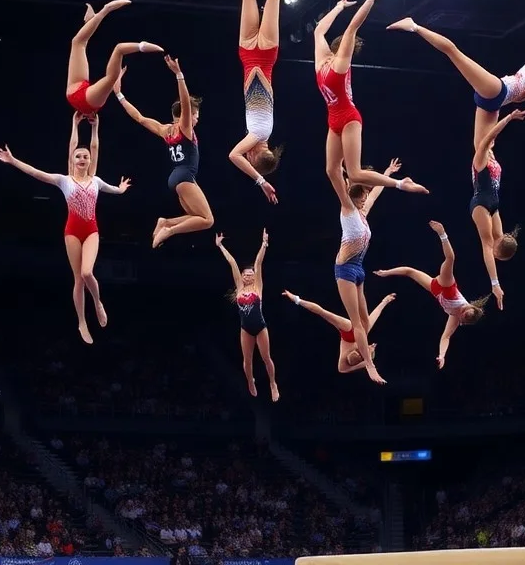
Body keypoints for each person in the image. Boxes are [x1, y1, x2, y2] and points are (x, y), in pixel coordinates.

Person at [0, 115, 131, 344]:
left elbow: (112, 184)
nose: (82, 158)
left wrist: (95, 129)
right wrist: (13, 160)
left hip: (92, 231)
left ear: (91, 160)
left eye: (86, 156)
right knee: (78, 279)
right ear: (72, 160)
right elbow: (36, 172)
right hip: (72, 232)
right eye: (78, 156)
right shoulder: (63, 180)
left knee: (87, 273)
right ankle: (81, 321)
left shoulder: (96, 181)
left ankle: (97, 302)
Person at [385, 18, 525, 146]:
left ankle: (484, 189)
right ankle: (414, 26)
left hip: (493, 101)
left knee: (482, 148)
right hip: (495, 94)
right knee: (453, 52)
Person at [314, 0, 428, 202]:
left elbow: (352, 27)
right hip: (333, 119)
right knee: (331, 170)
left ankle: (400, 183)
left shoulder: (340, 64)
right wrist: (338, 6)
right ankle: (347, 207)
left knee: (355, 173)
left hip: (349, 118)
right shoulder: (322, 61)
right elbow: (319, 31)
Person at [114, 56, 215, 248]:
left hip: (176, 177)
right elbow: (185, 103)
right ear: (186, 115)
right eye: (196, 116)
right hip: (184, 176)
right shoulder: (185, 128)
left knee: (195, 216)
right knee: (208, 220)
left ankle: (165, 222)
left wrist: (120, 95)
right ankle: (169, 230)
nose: (197, 120)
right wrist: (179, 75)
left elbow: (139, 118)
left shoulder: (164, 130)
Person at [227, 0, 293, 202]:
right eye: (250, 159)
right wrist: (260, 181)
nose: (246, 155)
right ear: (255, 156)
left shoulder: (266, 130)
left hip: (263, 56)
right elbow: (233, 155)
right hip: (254, 56)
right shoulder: (257, 133)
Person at [327, 158, 404, 385]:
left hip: (359, 269)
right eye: (361, 196)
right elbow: (336, 178)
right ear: (353, 195)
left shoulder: (362, 213)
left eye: (364, 197)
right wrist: (341, 169)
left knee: (366, 324)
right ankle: (370, 365)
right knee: (358, 325)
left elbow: (375, 194)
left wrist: (387, 172)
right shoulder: (348, 210)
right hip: (345, 271)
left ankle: (368, 358)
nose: (364, 200)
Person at [373, 220, 489, 369]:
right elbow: (451, 257)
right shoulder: (457, 299)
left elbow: (446, 337)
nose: (461, 310)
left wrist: (442, 355)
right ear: (469, 307)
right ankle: (442, 233)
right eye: (465, 309)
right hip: (446, 287)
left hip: (435, 289)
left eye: (462, 314)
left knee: (410, 272)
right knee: (450, 259)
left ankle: (385, 273)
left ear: (462, 320)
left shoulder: (456, 317)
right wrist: (443, 234)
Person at [65, 0, 164, 116]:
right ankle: (103, 13)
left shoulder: (90, 107)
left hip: (79, 95)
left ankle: (102, 13)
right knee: (80, 43)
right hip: (77, 95)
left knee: (79, 43)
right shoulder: (90, 106)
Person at [469, 109, 525, 309]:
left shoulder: (487, 156)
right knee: (487, 244)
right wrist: (495, 284)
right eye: (497, 254)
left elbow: (488, 139)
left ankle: (492, 106)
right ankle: (494, 106)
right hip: (483, 203)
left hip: (490, 204)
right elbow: (488, 138)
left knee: (492, 240)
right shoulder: (481, 157)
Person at [215, 229, 280, 401]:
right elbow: (232, 263)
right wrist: (220, 246)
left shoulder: (258, 287)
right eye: (246, 275)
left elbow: (258, 263)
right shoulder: (239, 288)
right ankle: (250, 381)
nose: (249, 276)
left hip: (260, 327)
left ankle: (273, 383)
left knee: (266, 358)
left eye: (251, 275)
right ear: (242, 277)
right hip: (245, 329)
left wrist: (264, 244)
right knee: (247, 360)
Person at [282, 289, 395, 374]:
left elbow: (342, 370)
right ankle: (297, 299)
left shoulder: (347, 357)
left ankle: (297, 300)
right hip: (352, 334)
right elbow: (343, 369)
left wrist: (366, 363)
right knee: (324, 312)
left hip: (349, 332)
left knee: (324, 313)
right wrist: (366, 361)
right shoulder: (358, 345)